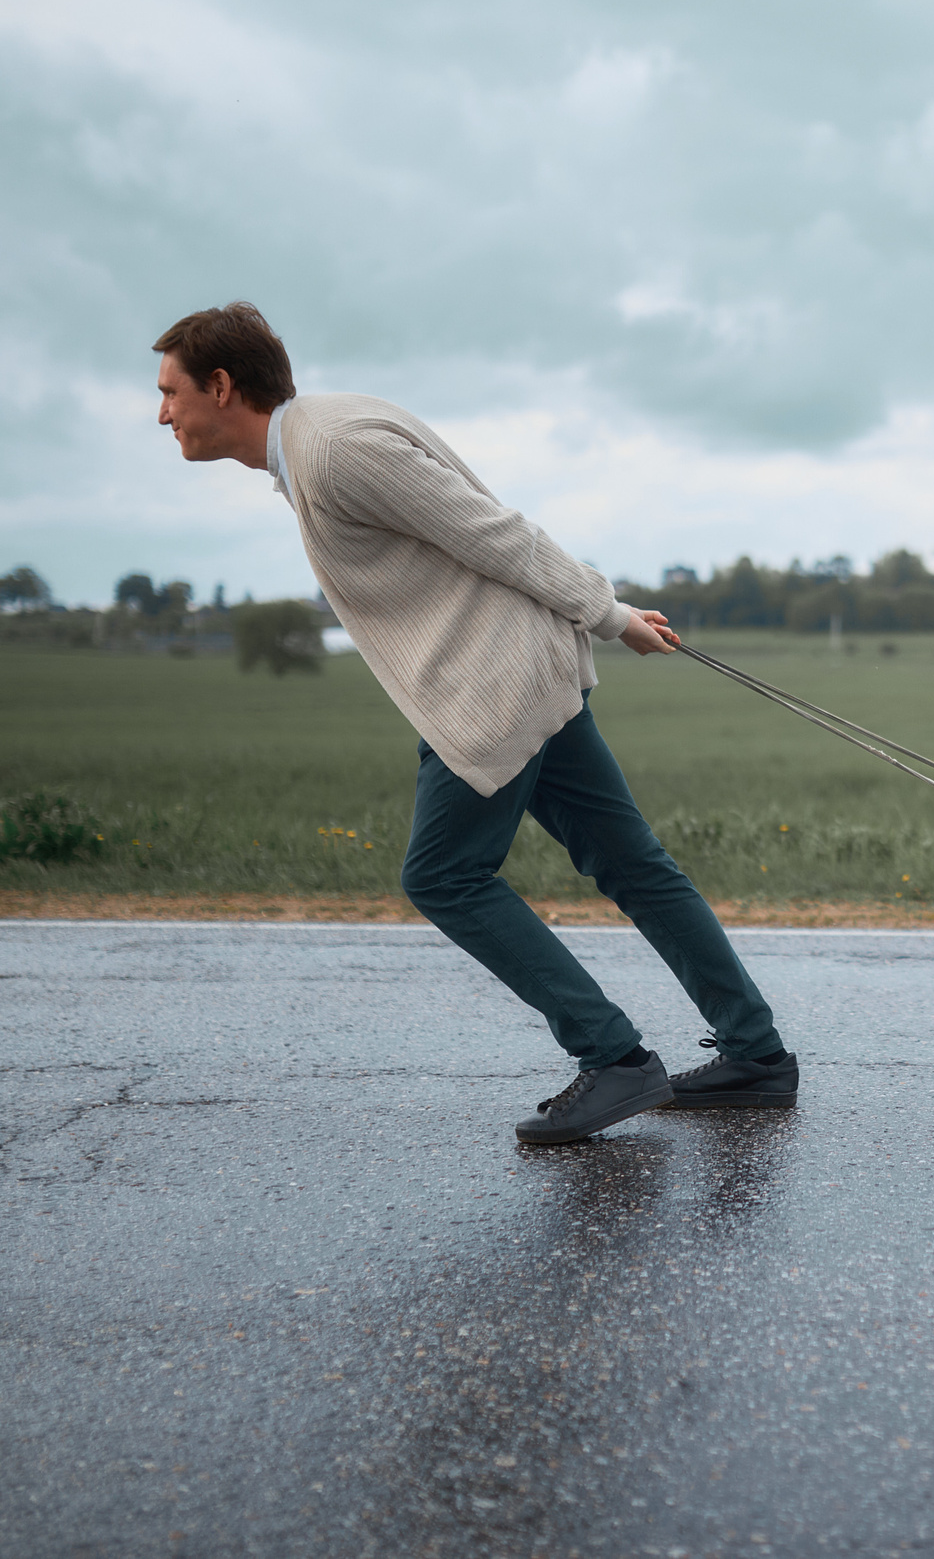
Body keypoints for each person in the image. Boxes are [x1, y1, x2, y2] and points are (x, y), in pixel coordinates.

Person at [151, 301, 796, 1146]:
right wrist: (606, 609)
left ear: (223, 385)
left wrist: (609, 612)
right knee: (630, 860)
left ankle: (614, 1057)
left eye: (169, 391)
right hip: (511, 667)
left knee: (444, 875)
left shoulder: (338, 449)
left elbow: (494, 533)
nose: (162, 413)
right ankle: (755, 1055)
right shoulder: (315, 444)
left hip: (495, 682)